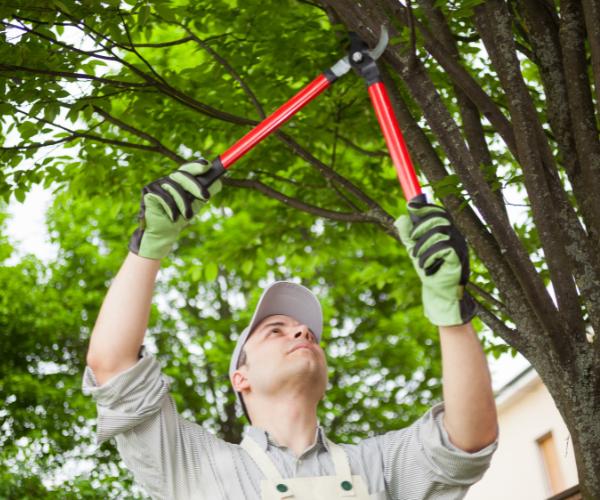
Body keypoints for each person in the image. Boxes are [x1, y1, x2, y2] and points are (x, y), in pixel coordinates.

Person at [83, 160, 498, 499]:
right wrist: (149, 245)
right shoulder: (194, 466)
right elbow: (113, 366)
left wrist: (451, 311)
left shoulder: (380, 465)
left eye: (309, 335)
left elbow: (468, 440)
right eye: (276, 330)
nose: (301, 333)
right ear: (239, 377)